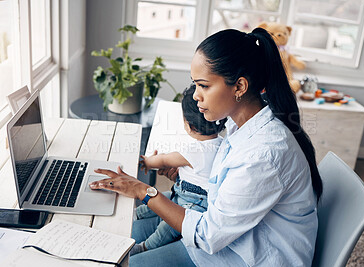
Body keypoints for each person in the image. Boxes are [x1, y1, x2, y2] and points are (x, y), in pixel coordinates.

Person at [90, 27, 323, 266]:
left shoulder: (264, 154)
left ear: (240, 87)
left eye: (204, 86)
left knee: (123, 261)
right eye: (195, 85)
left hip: (246, 255)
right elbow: (232, 188)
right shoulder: (241, 125)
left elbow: (208, 235)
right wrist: (195, 179)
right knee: (114, 236)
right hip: (233, 235)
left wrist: (144, 191)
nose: (195, 96)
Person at [131, 84, 226, 254]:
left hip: (192, 204)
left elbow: (164, 160)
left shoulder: (195, 151)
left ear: (189, 126)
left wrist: (147, 161)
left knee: (166, 226)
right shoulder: (223, 144)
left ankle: (145, 246)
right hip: (191, 197)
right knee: (164, 198)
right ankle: (138, 216)